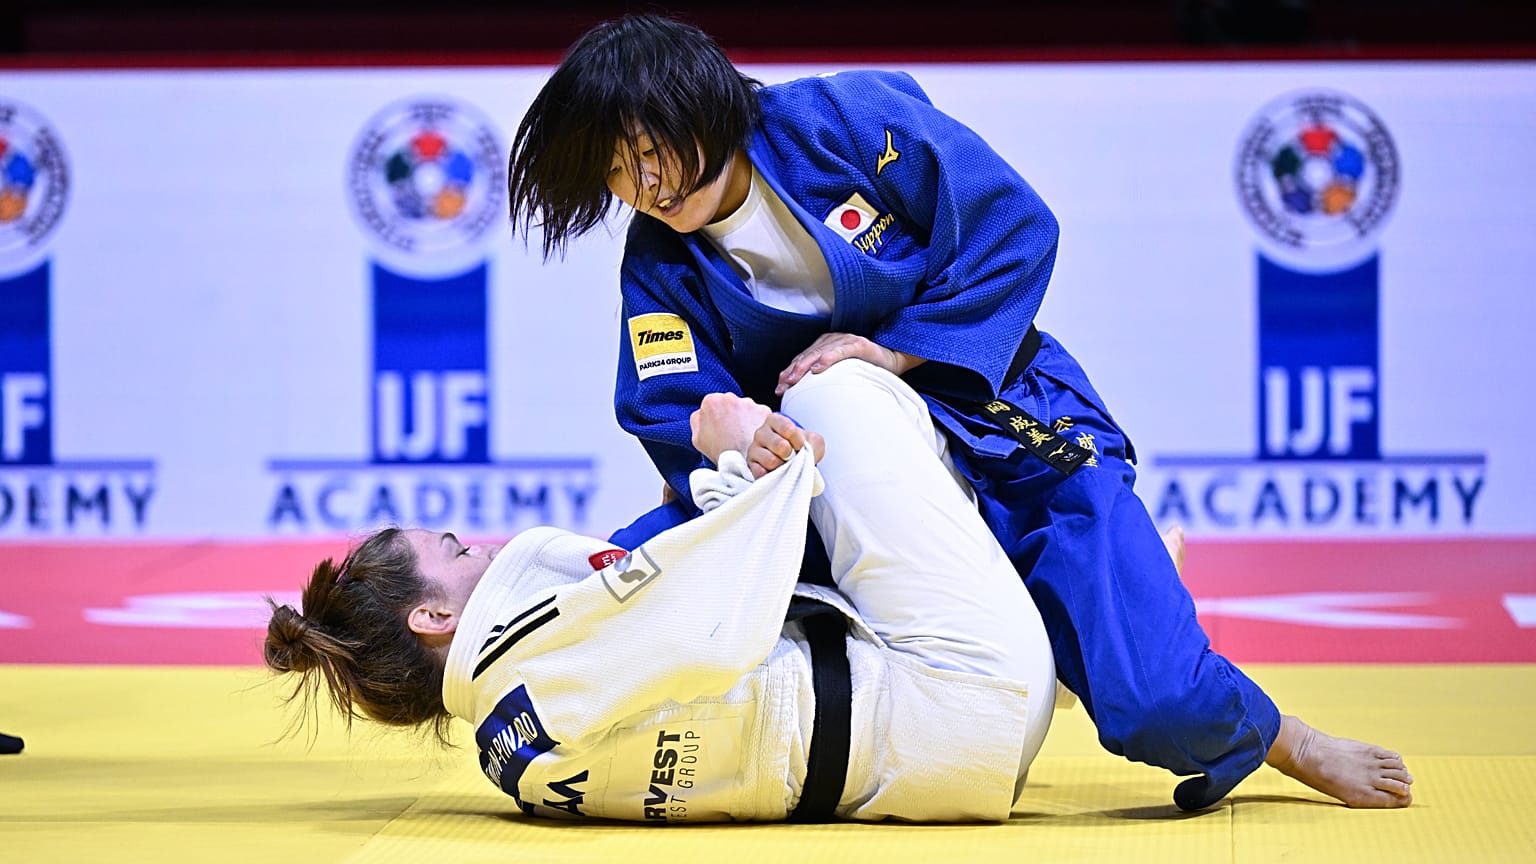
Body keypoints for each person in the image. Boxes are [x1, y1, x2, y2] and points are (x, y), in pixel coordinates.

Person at [503, 14, 1413, 810]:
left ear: (702, 102)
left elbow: (1013, 226)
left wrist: (894, 350)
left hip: (998, 420)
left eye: (652, 151)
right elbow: (669, 399)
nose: (649, 187)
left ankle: (1280, 734)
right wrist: (724, 424)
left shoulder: (845, 123)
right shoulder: (656, 261)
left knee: (1158, 704)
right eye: (620, 174)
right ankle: (1030, 621)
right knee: (625, 581)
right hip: (839, 488)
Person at [267, 361, 1058, 822]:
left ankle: (1029, 600)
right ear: (436, 615)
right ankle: (1055, 570)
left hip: (924, 766)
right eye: (457, 550)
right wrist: (744, 454)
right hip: (969, 692)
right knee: (835, 390)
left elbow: (692, 630)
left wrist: (738, 483)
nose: (483, 547)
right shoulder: (535, 638)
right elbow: (716, 625)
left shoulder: (507, 750)